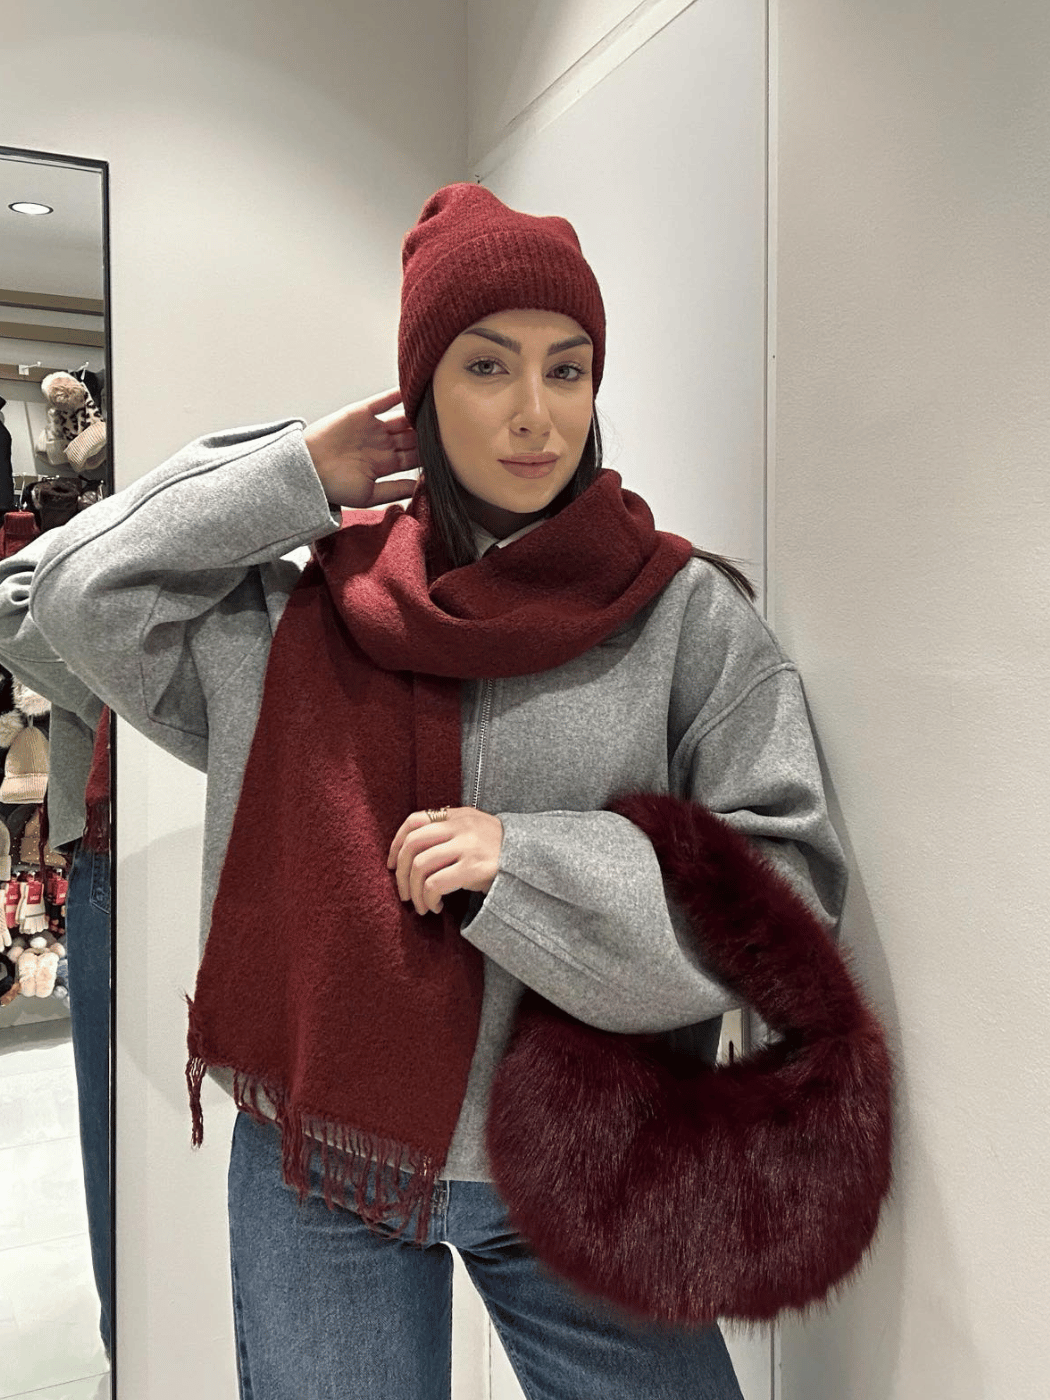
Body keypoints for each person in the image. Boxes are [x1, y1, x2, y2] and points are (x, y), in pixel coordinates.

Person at [15, 183, 848, 1399]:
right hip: (324, 1160)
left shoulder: (682, 618)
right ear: (420, 390)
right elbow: (72, 595)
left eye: (568, 369)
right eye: (486, 365)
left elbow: (788, 886)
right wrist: (294, 469)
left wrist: (531, 864)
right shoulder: (300, 616)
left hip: (587, 1153)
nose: (534, 412)